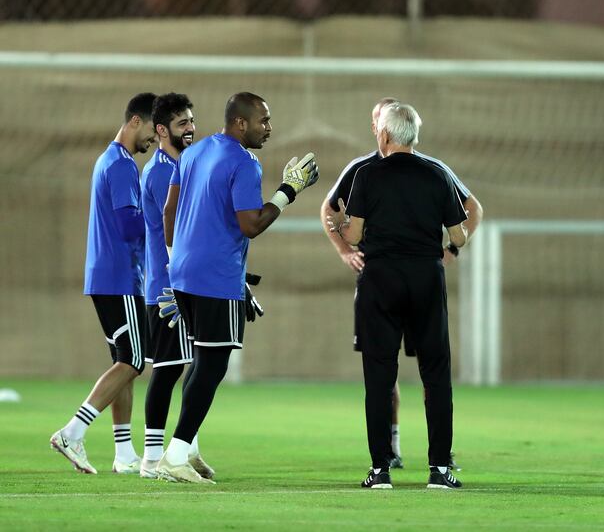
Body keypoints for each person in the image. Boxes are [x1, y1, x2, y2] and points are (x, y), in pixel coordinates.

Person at [155, 92, 318, 484]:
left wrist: (177, 260)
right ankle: (173, 455)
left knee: (200, 360)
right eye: (264, 120)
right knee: (212, 365)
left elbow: (169, 210)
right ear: (240, 123)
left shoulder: (193, 154)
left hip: (183, 273)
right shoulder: (245, 161)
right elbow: (251, 225)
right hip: (215, 278)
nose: (269, 127)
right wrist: (288, 191)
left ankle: (187, 448)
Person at [320, 98, 483, 471]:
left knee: (379, 374)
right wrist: (448, 249)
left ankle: (380, 469)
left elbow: (351, 228)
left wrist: (341, 234)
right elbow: (458, 235)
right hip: (425, 277)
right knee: (436, 373)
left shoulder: (367, 175)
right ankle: (440, 468)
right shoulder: (436, 174)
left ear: (386, 131)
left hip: (380, 278)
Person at [50, 93, 157, 474]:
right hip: (121, 276)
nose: (154, 142)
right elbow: (131, 226)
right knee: (133, 360)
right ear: (134, 121)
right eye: (151, 132)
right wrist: (160, 214)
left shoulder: (108, 160)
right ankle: (73, 432)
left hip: (105, 275)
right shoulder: (123, 165)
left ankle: (124, 454)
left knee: (124, 361)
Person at [138, 92, 214, 479]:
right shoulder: (162, 172)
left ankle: (187, 449)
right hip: (167, 286)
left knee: (194, 365)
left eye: (192, 121)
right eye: (183, 122)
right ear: (161, 130)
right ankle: (153, 458)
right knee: (168, 368)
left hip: (184, 281)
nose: (191, 128)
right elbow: (177, 229)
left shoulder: (182, 165)